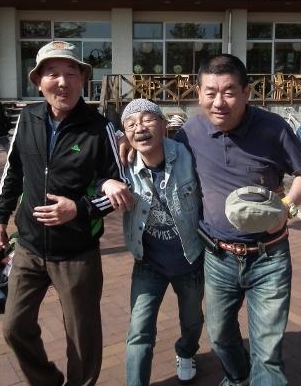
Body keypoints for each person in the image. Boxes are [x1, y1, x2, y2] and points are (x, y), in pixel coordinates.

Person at [0, 40, 133, 386]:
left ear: (83, 80)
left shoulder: (99, 127)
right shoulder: (27, 119)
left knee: (82, 338)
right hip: (29, 246)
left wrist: (79, 209)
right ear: (38, 82)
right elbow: (14, 171)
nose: (63, 82)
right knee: (14, 327)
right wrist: (0, 216)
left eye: (71, 73)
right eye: (52, 73)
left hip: (77, 252)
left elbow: (121, 188)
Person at [174, 54, 301, 385]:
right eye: (210, 92)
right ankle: (238, 378)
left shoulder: (272, 128)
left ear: (246, 93)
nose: (218, 102)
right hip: (218, 257)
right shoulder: (190, 132)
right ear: (198, 94)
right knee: (220, 336)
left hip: (269, 257)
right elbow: (160, 156)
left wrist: (287, 207)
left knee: (267, 354)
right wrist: (127, 142)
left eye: (229, 92)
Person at [117, 98, 204, 386]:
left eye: (147, 119)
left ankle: (186, 351)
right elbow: (90, 153)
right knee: (139, 331)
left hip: (190, 260)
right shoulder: (122, 164)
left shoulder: (187, 155)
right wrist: (106, 181)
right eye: (131, 124)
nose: (139, 128)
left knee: (192, 322)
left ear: (164, 125)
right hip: (148, 264)